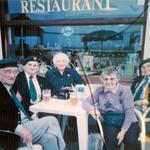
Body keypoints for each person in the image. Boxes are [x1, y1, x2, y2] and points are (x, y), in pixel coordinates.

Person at [0, 58, 65, 150]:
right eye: (7, 72)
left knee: (50, 138)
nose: (12, 75)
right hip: (11, 135)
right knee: (51, 120)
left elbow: (19, 108)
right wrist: (19, 129)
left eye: (15, 72)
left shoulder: (11, 86)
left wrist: (32, 116)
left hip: (27, 122)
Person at [82, 66, 141, 150]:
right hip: (110, 121)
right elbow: (85, 102)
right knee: (110, 142)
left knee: (131, 141)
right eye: (106, 79)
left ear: (117, 79)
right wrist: (92, 109)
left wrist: (123, 131)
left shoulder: (125, 91)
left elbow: (129, 112)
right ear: (102, 80)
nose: (108, 82)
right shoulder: (100, 90)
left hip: (128, 119)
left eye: (112, 79)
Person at [45, 52, 86, 135]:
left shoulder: (72, 72)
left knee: (68, 114)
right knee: (61, 115)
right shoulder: (50, 73)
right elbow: (46, 89)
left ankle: (63, 133)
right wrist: (56, 93)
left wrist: (73, 89)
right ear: (55, 63)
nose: (61, 63)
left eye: (63, 61)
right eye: (58, 61)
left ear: (67, 62)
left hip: (70, 99)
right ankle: (60, 133)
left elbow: (82, 83)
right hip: (55, 100)